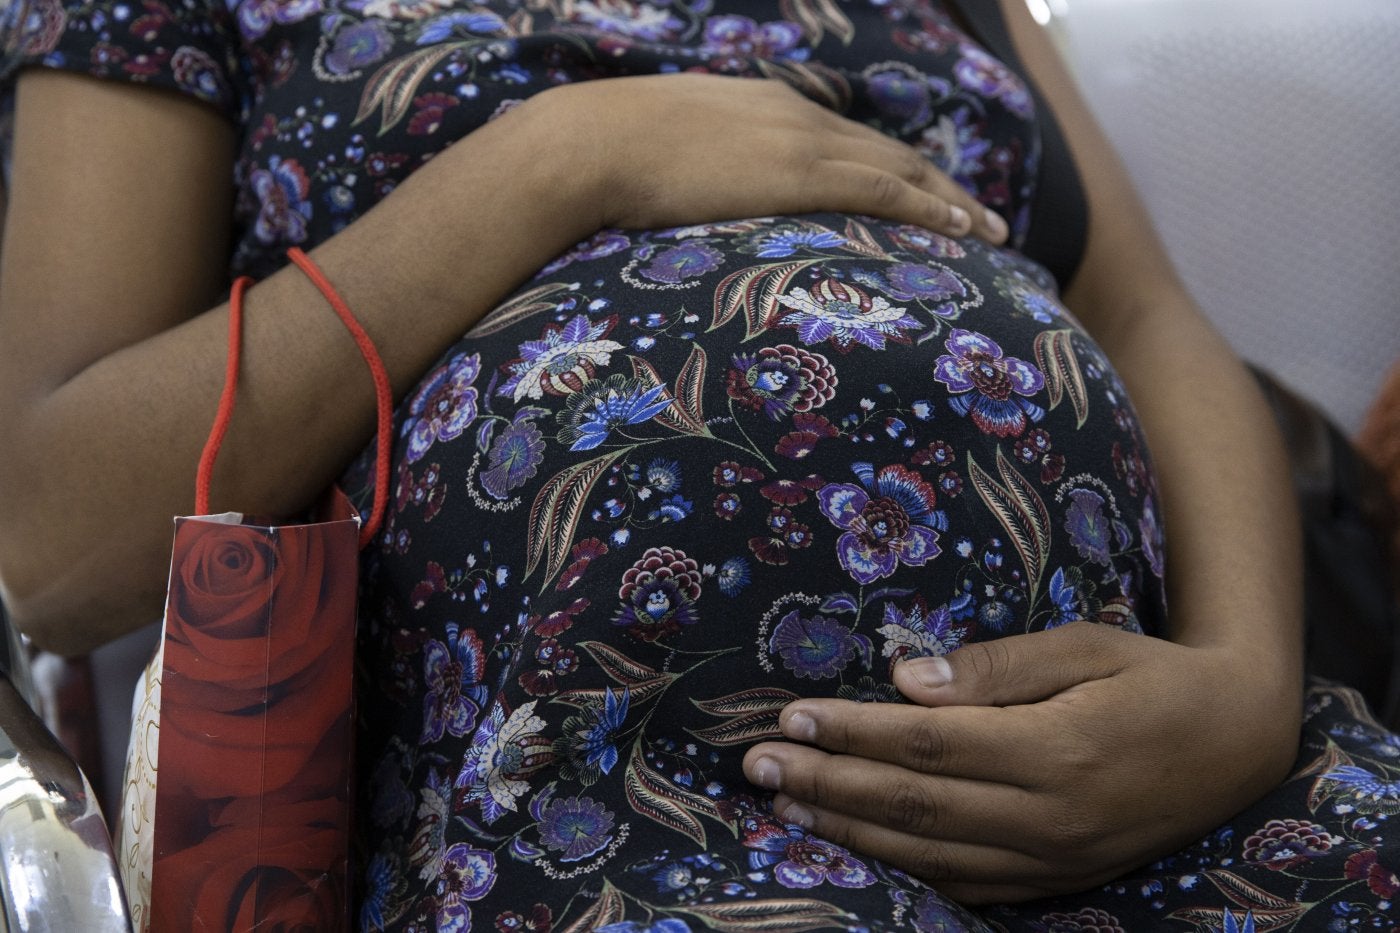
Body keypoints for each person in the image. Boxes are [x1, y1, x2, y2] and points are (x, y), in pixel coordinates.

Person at [0, 0, 1395, 929]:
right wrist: (563, 163)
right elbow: (56, 535)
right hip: (597, 812)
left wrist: (1242, 692)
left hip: (1144, 790)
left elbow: (1146, 313)